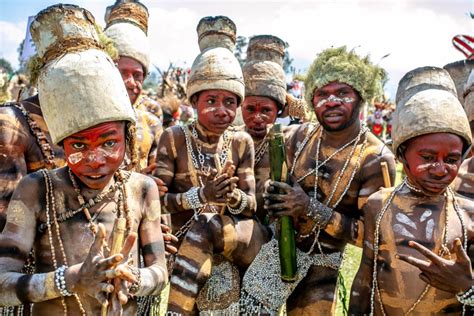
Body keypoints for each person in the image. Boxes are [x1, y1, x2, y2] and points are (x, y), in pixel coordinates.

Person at [0, 5, 167, 315]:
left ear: (128, 138)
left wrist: (132, 279)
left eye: (109, 142)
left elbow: (160, 273)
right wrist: (72, 279)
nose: (94, 159)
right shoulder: (36, 189)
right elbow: (1, 284)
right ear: (61, 143)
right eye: (78, 144)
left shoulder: (142, 189)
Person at [262, 46, 396, 314]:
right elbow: (272, 187)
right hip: (275, 253)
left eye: (343, 93)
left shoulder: (375, 158)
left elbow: (372, 236)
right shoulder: (296, 138)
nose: (332, 101)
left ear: (361, 96)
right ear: (312, 100)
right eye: (322, 94)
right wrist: (272, 195)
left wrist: (310, 208)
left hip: (324, 262)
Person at [350, 66, 474, 315]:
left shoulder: (468, 215)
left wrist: (466, 286)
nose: (440, 169)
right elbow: (365, 275)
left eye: (451, 159)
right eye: (427, 157)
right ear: (402, 154)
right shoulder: (379, 205)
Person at [154, 16, 257, 315]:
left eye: (229, 102)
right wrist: (201, 195)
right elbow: (159, 201)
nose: (221, 110)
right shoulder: (173, 138)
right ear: (194, 101)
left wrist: (231, 196)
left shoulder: (241, 142)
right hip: (185, 247)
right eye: (211, 100)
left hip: (227, 249)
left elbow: (251, 206)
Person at [105, 0, 163, 171]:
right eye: (122, 72)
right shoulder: (79, 120)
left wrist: (149, 184)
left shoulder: (151, 124)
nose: (130, 82)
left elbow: (157, 177)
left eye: (137, 75)